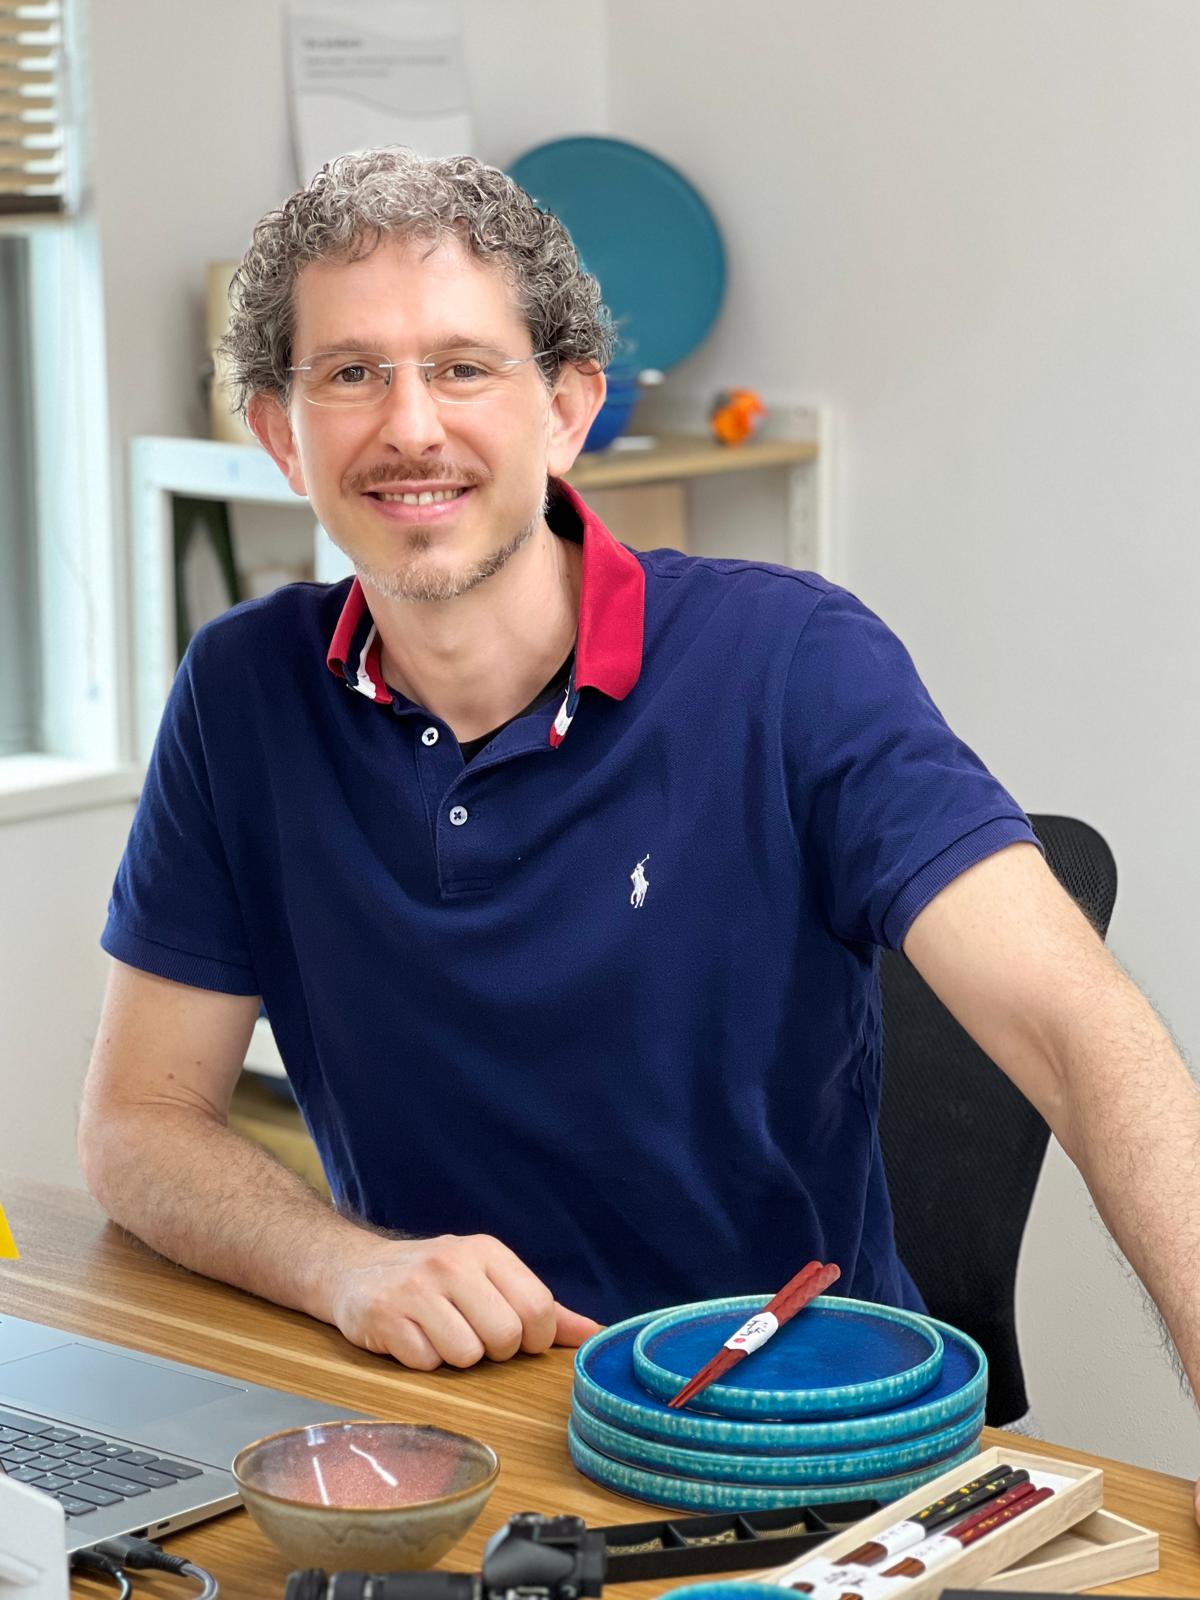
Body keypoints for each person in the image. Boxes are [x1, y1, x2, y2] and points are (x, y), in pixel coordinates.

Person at [79, 150, 1200, 1462]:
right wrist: (342, 1266)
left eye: (462, 366)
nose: (411, 426)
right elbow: (139, 1123)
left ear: (567, 409)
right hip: (452, 1422)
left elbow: (1082, 1026)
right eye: (351, 373)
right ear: (280, 433)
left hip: (784, 1438)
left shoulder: (788, 662)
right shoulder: (241, 691)